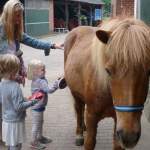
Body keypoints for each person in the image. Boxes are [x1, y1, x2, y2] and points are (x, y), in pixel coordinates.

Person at [0, 0, 64, 141]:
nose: (18, 20)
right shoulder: (1, 30)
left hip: (12, 73)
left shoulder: (15, 30)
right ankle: (8, 137)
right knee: (5, 105)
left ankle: (9, 136)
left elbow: (32, 41)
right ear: (8, 14)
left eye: (20, 16)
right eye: (16, 16)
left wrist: (52, 44)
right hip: (4, 74)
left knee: (9, 104)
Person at [0, 54, 39, 150]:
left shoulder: (1, 83)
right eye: (17, 71)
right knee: (16, 145)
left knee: (10, 144)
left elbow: (5, 100)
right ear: (12, 72)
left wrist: (24, 99)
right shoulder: (15, 86)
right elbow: (18, 107)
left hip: (6, 120)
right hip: (15, 122)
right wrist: (32, 102)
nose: (18, 73)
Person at [27, 59, 66, 149]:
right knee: (36, 125)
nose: (45, 71)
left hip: (37, 107)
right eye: (42, 70)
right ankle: (33, 142)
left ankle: (40, 137)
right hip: (37, 107)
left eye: (44, 69)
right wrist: (57, 83)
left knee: (40, 123)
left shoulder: (37, 79)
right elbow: (49, 90)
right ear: (35, 72)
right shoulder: (40, 81)